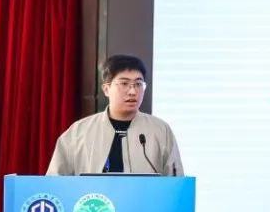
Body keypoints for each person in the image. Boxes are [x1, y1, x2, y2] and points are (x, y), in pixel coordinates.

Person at [47, 54, 183, 176]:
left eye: (138, 84)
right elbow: (55, 183)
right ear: (106, 89)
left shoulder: (160, 130)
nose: (132, 91)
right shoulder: (79, 132)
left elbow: (176, 183)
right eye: (124, 83)